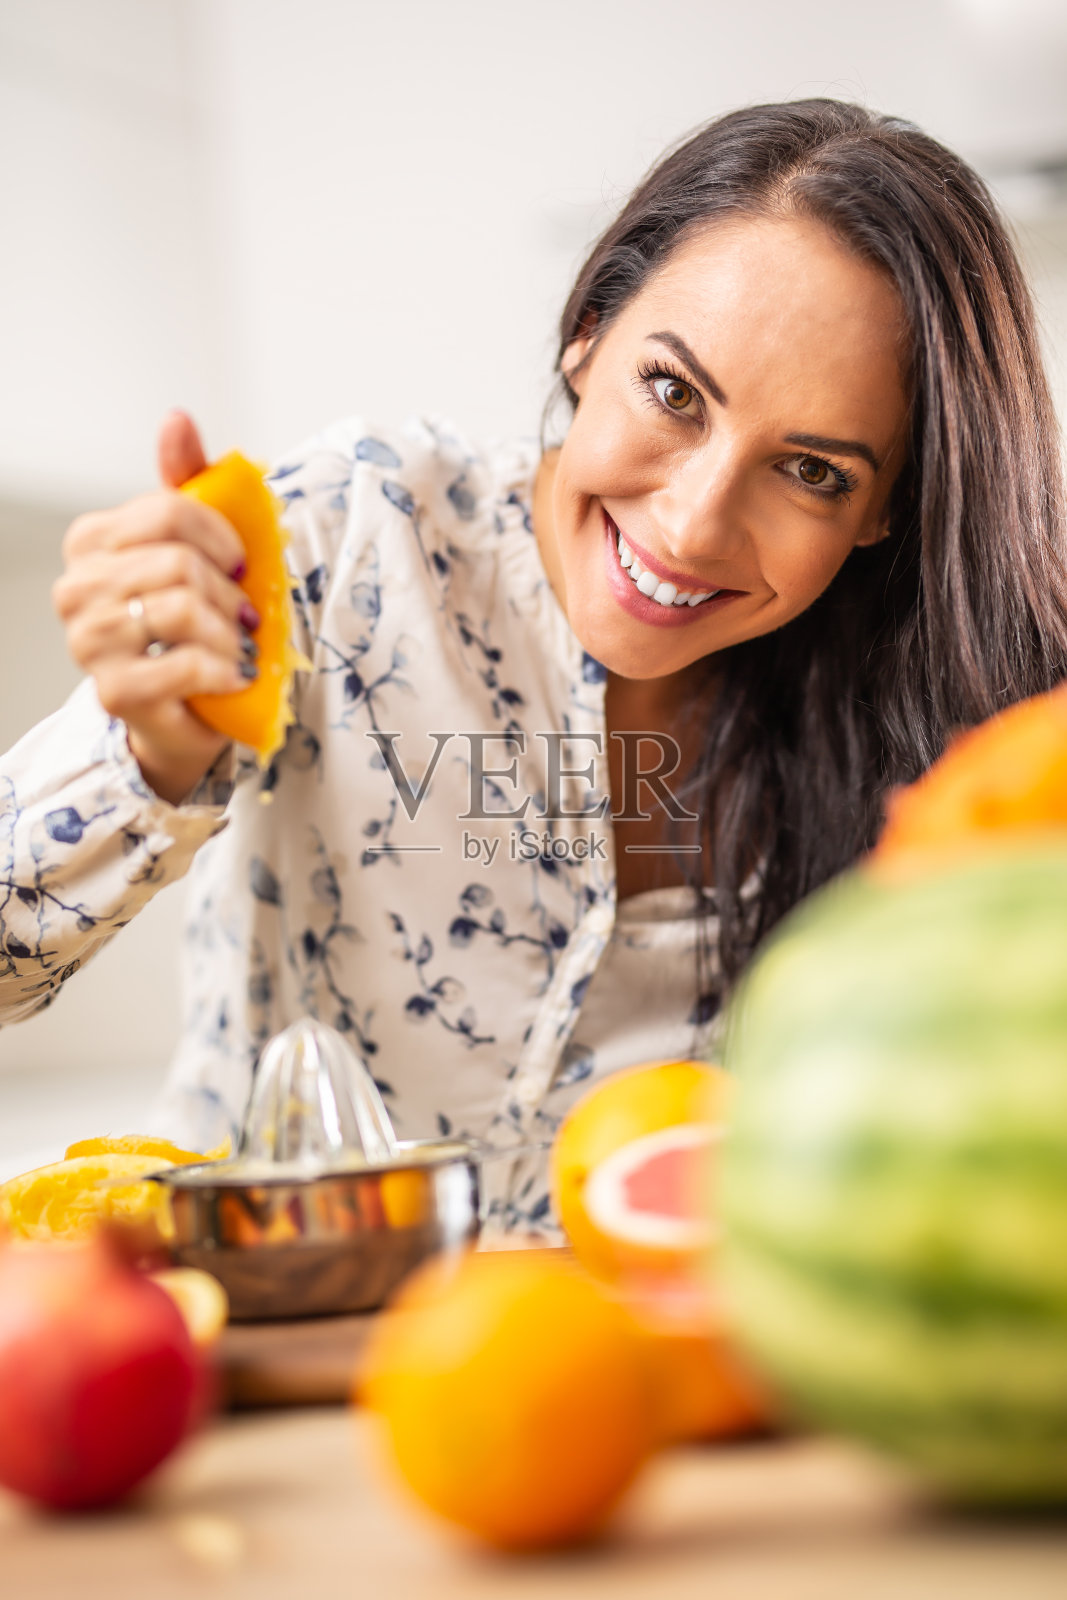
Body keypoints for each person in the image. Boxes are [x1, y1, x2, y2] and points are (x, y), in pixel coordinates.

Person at [1, 99, 1065, 1230]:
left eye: (810, 470)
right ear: (587, 332)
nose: (695, 524)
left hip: (652, 1385)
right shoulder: (353, 533)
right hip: (269, 1335)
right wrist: (150, 758)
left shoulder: (958, 734)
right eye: (672, 392)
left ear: (883, 513)